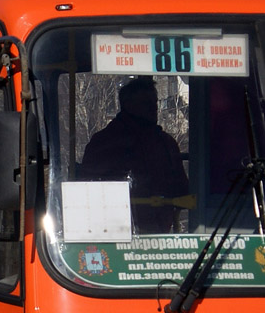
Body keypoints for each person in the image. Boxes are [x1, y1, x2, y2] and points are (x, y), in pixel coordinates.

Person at [80, 77, 189, 232]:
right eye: (146, 104)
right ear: (128, 106)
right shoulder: (105, 143)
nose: (153, 109)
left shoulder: (166, 143)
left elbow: (181, 189)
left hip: (160, 233)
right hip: (112, 231)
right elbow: (88, 192)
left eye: (154, 103)